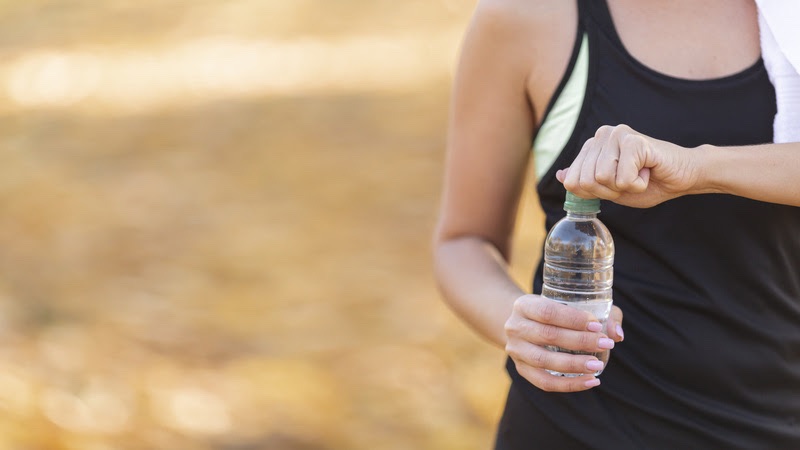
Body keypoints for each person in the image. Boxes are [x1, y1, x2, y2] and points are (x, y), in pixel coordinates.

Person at [432, 0, 800, 447]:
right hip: (573, 426)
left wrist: (698, 168)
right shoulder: (528, 16)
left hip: (776, 421)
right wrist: (524, 325)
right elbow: (464, 241)